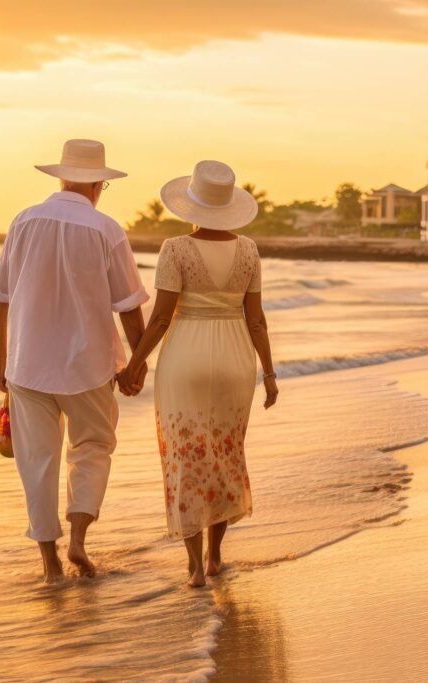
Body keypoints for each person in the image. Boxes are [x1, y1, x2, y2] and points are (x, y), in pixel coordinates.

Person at [0, 139, 149, 583]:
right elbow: (129, 305)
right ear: (100, 184)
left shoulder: (24, 221)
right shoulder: (106, 229)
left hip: (28, 364)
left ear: (61, 178)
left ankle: (49, 563)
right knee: (93, 449)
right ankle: (79, 539)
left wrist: (2, 359)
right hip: (89, 366)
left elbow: (1, 296)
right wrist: (136, 363)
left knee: (37, 460)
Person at [120, 160, 278, 588]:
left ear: (190, 206)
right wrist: (269, 373)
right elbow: (257, 320)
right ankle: (214, 557)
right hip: (235, 361)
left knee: (185, 457)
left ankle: (193, 568)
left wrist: (134, 365)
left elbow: (159, 320)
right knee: (225, 455)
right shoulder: (248, 250)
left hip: (185, 360)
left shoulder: (176, 249)